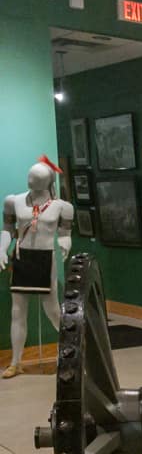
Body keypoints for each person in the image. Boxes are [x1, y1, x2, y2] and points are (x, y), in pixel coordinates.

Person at [1, 156, 73, 378]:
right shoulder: (13, 201)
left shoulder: (62, 207)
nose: (30, 181)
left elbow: (64, 234)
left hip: (44, 258)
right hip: (22, 257)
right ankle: (15, 362)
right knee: (17, 311)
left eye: (36, 178)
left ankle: (73, 353)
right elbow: (7, 230)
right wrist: (2, 248)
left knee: (52, 308)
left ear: (47, 182)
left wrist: (64, 243)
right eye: (29, 176)